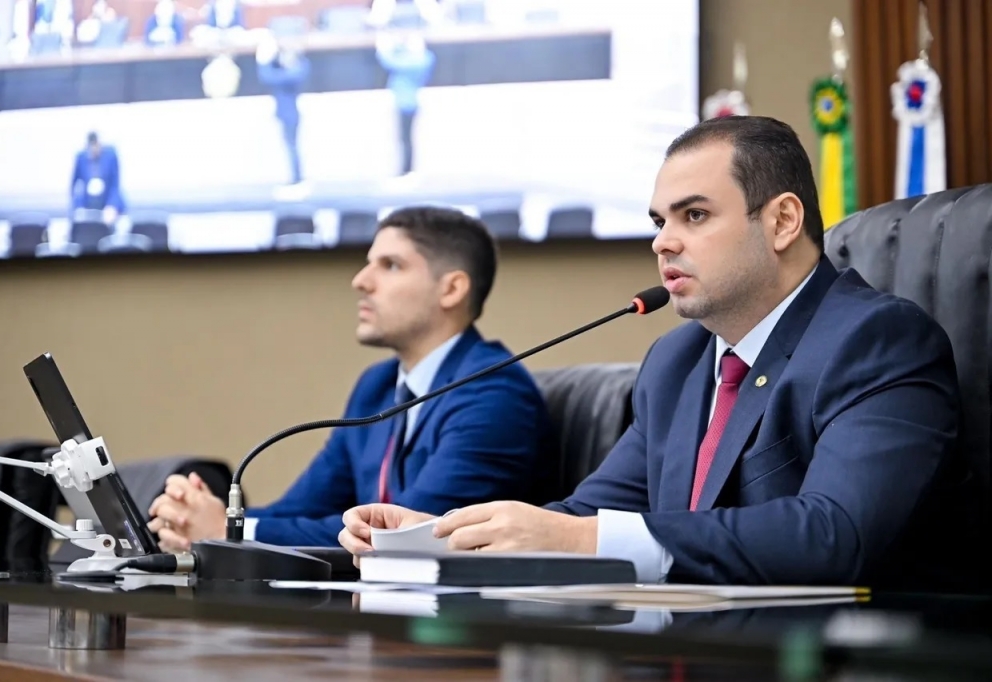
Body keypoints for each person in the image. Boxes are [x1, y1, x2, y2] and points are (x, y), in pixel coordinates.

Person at [338, 116, 985, 589]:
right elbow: (590, 515)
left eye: (694, 216)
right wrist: (437, 537)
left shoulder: (877, 341)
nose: (662, 243)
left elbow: (834, 534)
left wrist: (578, 537)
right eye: (658, 221)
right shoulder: (676, 363)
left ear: (783, 221)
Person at [148, 206, 555, 550]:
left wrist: (229, 531)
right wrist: (205, 520)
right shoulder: (377, 387)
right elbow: (301, 509)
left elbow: (408, 534)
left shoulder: (495, 395)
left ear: (451, 289)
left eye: (390, 265)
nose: (360, 280)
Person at [376, 31, 434, 177]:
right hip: (405, 103)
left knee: (405, 138)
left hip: (406, 104)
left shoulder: (417, 62)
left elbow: (390, 61)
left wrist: (383, 48)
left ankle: (407, 169)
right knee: (404, 138)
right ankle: (406, 168)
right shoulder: (422, 59)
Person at [255, 36, 310, 191]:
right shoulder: (291, 71)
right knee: (288, 145)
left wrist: (262, 62)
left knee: (292, 146)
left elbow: (268, 77)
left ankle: (296, 178)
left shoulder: (295, 73)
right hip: (284, 113)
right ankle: (294, 177)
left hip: (290, 115)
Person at [70, 132, 125, 224]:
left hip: (107, 200)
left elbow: (115, 185)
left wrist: (112, 205)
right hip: (88, 202)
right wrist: (77, 208)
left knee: (111, 217)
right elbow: (74, 184)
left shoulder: (110, 157)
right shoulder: (81, 158)